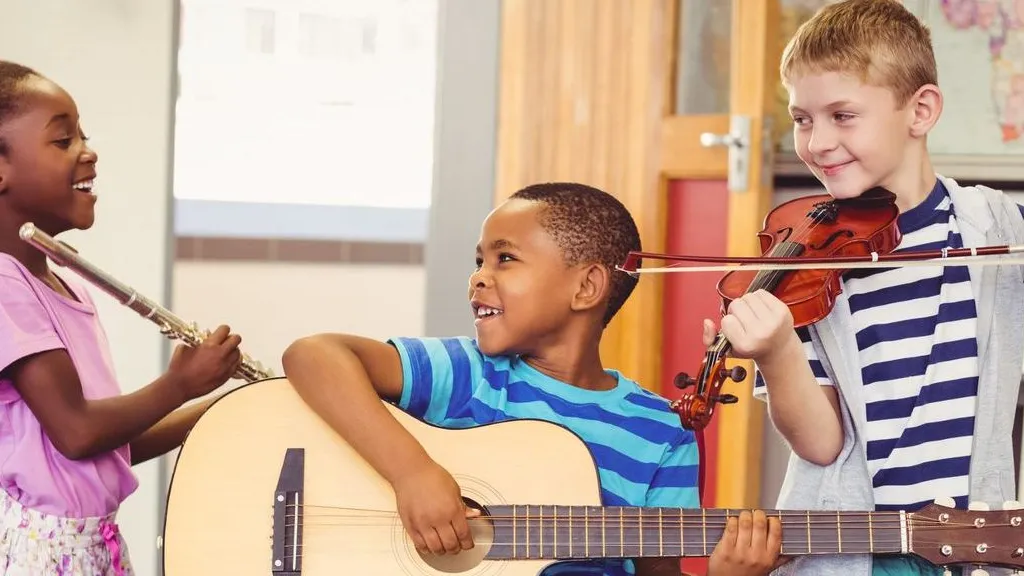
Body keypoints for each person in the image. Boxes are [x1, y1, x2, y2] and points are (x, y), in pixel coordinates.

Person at [282, 182, 783, 576]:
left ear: (586, 287)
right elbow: (314, 354)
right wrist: (412, 473)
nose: (479, 276)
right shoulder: (467, 374)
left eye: (505, 258)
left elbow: (657, 569)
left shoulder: (660, 431)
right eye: (479, 260)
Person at [699, 1, 1024, 575]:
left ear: (919, 110)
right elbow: (822, 445)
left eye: (842, 116)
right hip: (858, 551)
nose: (818, 142)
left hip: (974, 546)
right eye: (802, 119)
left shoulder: (996, 229)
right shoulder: (802, 262)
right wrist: (776, 352)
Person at [0, 60, 244, 575]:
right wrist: (180, 383)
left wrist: (222, 407)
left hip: (96, 544)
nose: (88, 152)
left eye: (82, 137)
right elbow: (77, 433)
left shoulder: (62, 283)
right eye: (62, 140)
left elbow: (107, 448)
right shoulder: (4, 285)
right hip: (44, 555)